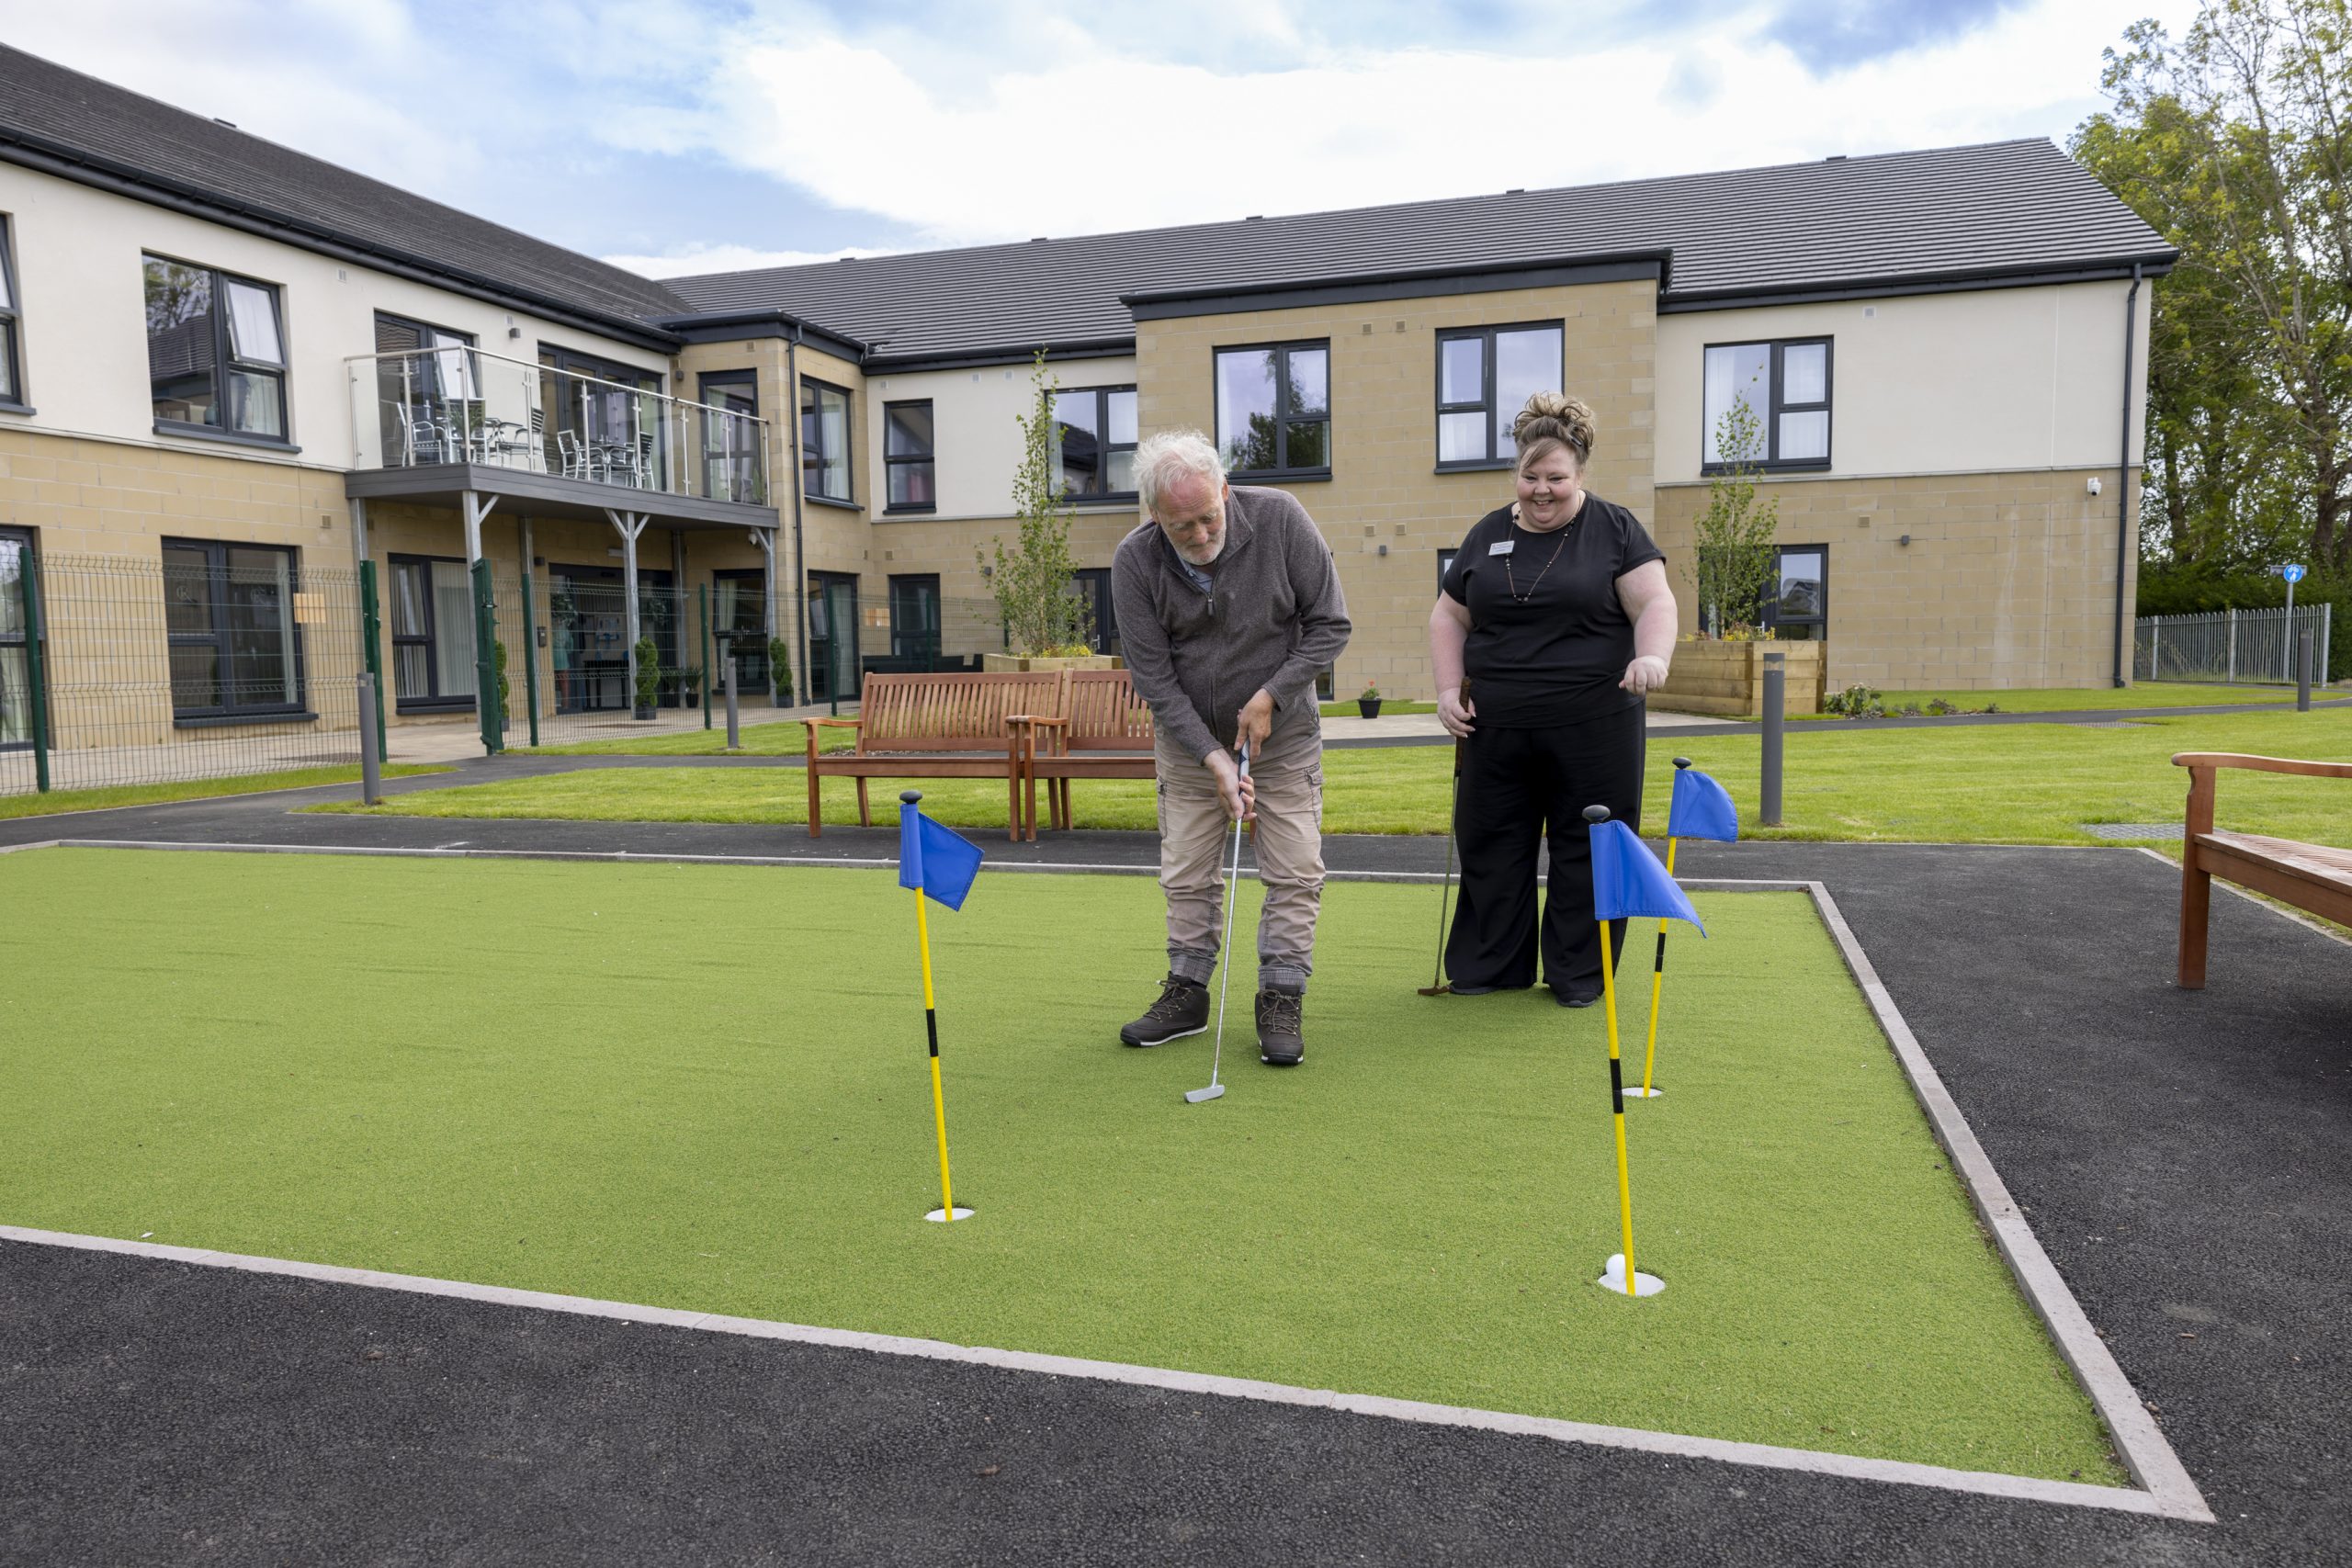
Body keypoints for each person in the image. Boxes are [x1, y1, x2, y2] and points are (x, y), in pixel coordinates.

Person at [1427, 393, 1678, 1004]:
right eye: (1530, 476)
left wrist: (1652, 657)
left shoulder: (1616, 529)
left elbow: (1655, 603)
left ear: (1581, 473)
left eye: (1556, 479)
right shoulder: (1486, 534)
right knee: (1490, 840)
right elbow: (1447, 616)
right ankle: (1490, 965)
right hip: (1495, 727)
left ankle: (1578, 975)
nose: (1541, 490)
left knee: (1588, 847)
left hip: (1595, 724)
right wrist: (1444, 689)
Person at [1112, 430, 1351, 1065]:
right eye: (1179, 524)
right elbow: (1153, 679)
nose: (1197, 534)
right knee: (1187, 871)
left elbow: (1331, 623)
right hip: (1189, 739)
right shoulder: (1134, 562)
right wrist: (1213, 757)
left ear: (1225, 489)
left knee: (1295, 868)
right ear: (1154, 517)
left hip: (1286, 732)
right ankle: (1186, 991)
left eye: (1207, 516)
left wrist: (1272, 694)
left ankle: (1281, 993)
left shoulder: (1280, 520)